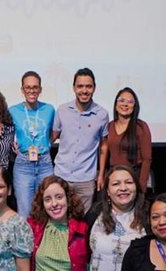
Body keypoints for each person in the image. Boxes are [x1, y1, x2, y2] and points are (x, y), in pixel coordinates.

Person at [52, 67, 109, 213]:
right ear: (74, 88)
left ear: (94, 88)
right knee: (59, 219)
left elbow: (103, 146)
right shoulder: (62, 110)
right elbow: (51, 139)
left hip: (86, 179)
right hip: (61, 175)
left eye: (88, 86)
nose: (84, 90)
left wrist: (101, 174)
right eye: (80, 86)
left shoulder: (102, 114)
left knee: (82, 224)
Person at [9, 71, 55, 219]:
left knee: (47, 209)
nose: (31, 91)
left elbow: (54, 134)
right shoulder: (13, 110)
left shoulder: (49, 109)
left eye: (35, 87)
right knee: (25, 211)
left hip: (45, 163)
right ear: (22, 90)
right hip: (23, 164)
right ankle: (28, 242)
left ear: (40, 89)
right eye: (27, 87)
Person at [106, 87, 152, 191]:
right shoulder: (109, 126)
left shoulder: (141, 127)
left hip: (132, 176)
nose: (125, 104)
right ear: (116, 104)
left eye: (130, 102)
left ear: (135, 106)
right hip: (113, 176)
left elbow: (147, 159)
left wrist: (141, 186)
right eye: (121, 100)